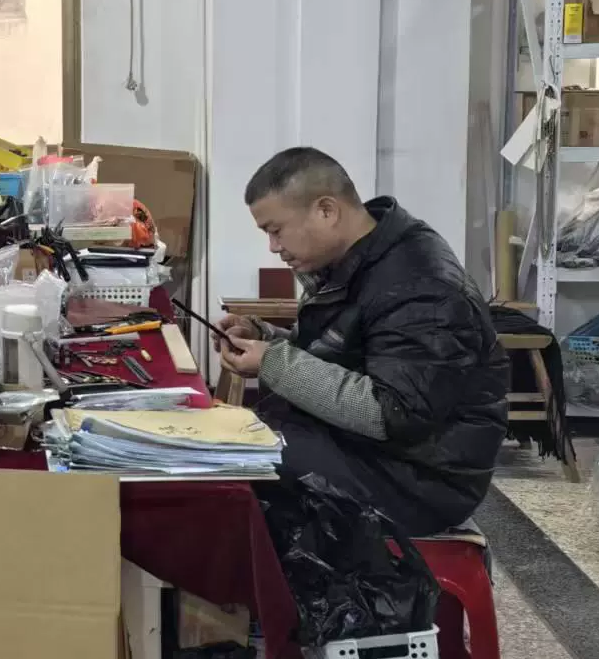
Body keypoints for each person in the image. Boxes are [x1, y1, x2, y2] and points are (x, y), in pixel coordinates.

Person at [214, 147, 507, 536]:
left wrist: (273, 361)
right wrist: (265, 338)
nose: (273, 246)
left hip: (420, 481)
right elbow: (347, 355)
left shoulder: (419, 286)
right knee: (228, 445)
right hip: (377, 452)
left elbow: (395, 413)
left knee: (234, 464)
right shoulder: (362, 259)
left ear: (326, 210)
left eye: (276, 230)